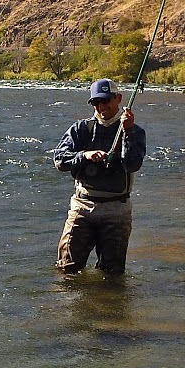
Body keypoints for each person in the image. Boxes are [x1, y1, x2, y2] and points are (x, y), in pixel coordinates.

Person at [52, 78, 146, 276]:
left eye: (105, 101)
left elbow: (132, 164)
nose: (101, 107)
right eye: (96, 103)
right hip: (82, 208)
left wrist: (127, 131)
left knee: (112, 275)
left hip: (117, 211)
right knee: (67, 270)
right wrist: (84, 156)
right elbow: (59, 161)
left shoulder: (135, 131)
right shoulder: (80, 129)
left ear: (118, 99)